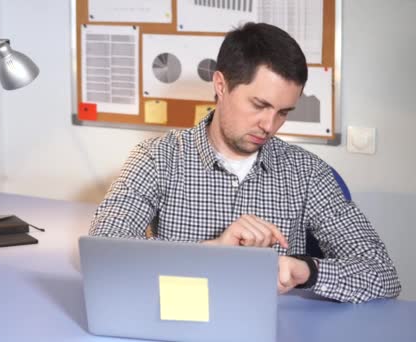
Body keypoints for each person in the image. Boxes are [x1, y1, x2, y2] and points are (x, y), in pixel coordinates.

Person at [89, 22, 401, 303]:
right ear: (221, 85)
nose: (270, 124)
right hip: (174, 322)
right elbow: (102, 253)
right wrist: (215, 251)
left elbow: (383, 274)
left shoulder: (308, 173)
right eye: (259, 104)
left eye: (283, 112)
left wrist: (306, 270)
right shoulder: (157, 157)